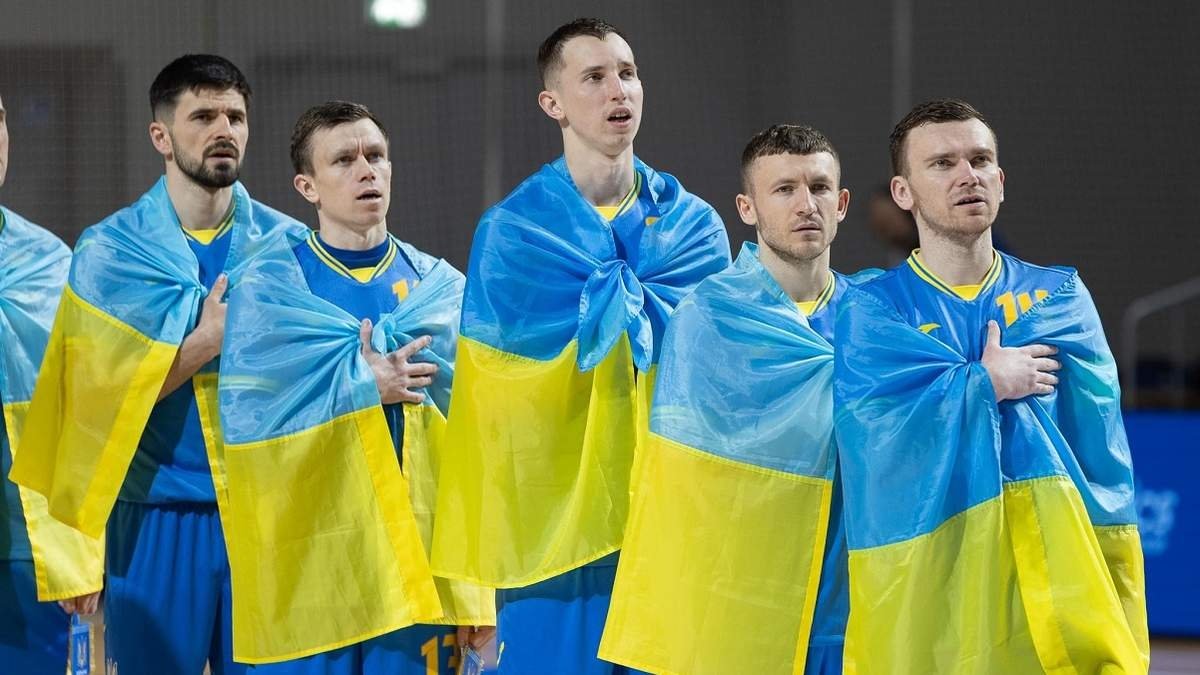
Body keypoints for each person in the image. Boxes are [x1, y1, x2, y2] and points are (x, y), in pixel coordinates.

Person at [430, 17, 730, 675]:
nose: (618, 90)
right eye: (593, 77)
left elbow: (721, 382)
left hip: (671, 523)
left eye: (628, 73)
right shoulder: (513, 233)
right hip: (554, 536)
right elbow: (492, 409)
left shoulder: (696, 229)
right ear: (553, 103)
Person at [10, 55, 303, 675]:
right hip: (153, 517)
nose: (223, 130)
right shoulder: (110, 252)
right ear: (161, 136)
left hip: (266, 516)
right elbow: (89, 409)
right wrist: (207, 341)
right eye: (203, 116)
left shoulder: (291, 249)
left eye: (235, 117)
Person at [833, 98, 1148, 672]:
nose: (967, 175)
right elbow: (870, 438)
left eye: (980, 160)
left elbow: (1101, 448)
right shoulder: (873, 311)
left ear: (1000, 181)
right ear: (903, 192)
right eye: (942, 163)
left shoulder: (1060, 299)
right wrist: (984, 383)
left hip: (1052, 592)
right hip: (932, 592)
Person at [212, 100, 494, 672]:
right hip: (316, 573)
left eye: (376, 156)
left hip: (419, 572)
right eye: (344, 160)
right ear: (307, 187)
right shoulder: (270, 292)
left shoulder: (441, 291)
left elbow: (479, 441)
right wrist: (361, 387)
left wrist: (476, 588)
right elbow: (247, 427)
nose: (367, 170)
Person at [601, 124, 870, 675]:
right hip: (743, 610)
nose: (806, 204)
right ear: (747, 208)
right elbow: (686, 486)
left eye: (819, 188)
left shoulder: (876, 315)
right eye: (784, 189)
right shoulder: (707, 317)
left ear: (842, 204)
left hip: (851, 610)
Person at [0, 90, 103, 674]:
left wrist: (81, 548)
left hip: (29, 556)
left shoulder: (50, 261)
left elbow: (82, 415)